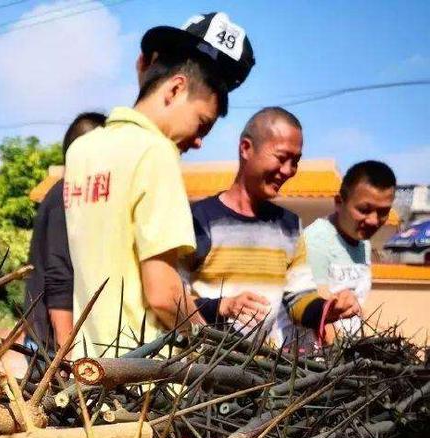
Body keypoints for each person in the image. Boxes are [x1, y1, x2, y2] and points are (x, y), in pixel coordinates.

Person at [64, 12, 256, 358]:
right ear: (176, 88)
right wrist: (208, 348)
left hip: (90, 367)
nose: (198, 142)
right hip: (145, 381)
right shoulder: (155, 152)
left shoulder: (82, 150)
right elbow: (163, 294)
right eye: (201, 124)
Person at [188, 107, 361, 347]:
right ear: (246, 148)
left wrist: (329, 308)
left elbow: (298, 300)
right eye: (281, 158)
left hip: (260, 373)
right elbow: (170, 299)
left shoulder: (289, 226)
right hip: (202, 369)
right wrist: (222, 306)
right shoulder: (201, 218)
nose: (289, 170)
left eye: (296, 161)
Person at [24, 112, 106, 351]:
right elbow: (59, 274)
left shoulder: (69, 193)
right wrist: (67, 353)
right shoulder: (66, 197)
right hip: (52, 347)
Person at [304, 160, 396, 337]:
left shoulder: (364, 243)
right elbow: (319, 314)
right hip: (315, 359)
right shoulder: (316, 239)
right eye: (364, 209)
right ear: (339, 202)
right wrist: (344, 355)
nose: (373, 220)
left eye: (383, 212)